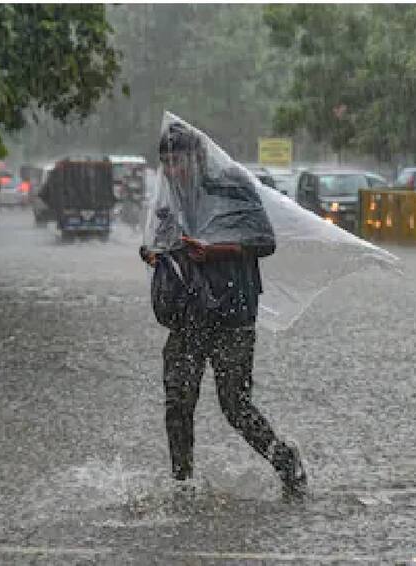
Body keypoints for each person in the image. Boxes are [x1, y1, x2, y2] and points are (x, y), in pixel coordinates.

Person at [140, 122, 308, 500]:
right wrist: (154, 254)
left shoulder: (232, 187)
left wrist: (216, 251)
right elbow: (161, 241)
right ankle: (182, 483)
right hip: (187, 314)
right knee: (177, 401)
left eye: (178, 161)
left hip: (232, 312)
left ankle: (284, 461)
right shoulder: (170, 199)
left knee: (234, 405)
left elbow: (264, 242)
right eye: (165, 162)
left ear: (198, 157)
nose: (172, 170)